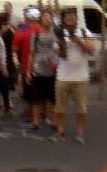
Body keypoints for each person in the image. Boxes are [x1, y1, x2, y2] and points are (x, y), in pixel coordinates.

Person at [53, 8, 94, 143]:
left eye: (73, 18)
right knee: (60, 108)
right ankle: (60, 132)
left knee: (81, 109)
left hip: (81, 77)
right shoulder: (60, 33)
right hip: (63, 77)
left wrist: (78, 41)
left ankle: (80, 133)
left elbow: (91, 50)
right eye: (68, 19)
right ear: (64, 20)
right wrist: (62, 44)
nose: (70, 21)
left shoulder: (84, 32)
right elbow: (61, 54)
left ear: (76, 19)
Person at [23, 10, 59, 137]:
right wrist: (28, 71)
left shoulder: (56, 34)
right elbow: (31, 54)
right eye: (45, 17)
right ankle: (36, 123)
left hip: (53, 72)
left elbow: (61, 50)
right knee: (37, 100)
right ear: (41, 20)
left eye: (49, 17)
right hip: (39, 71)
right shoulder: (36, 36)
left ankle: (54, 123)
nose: (48, 19)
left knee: (52, 100)